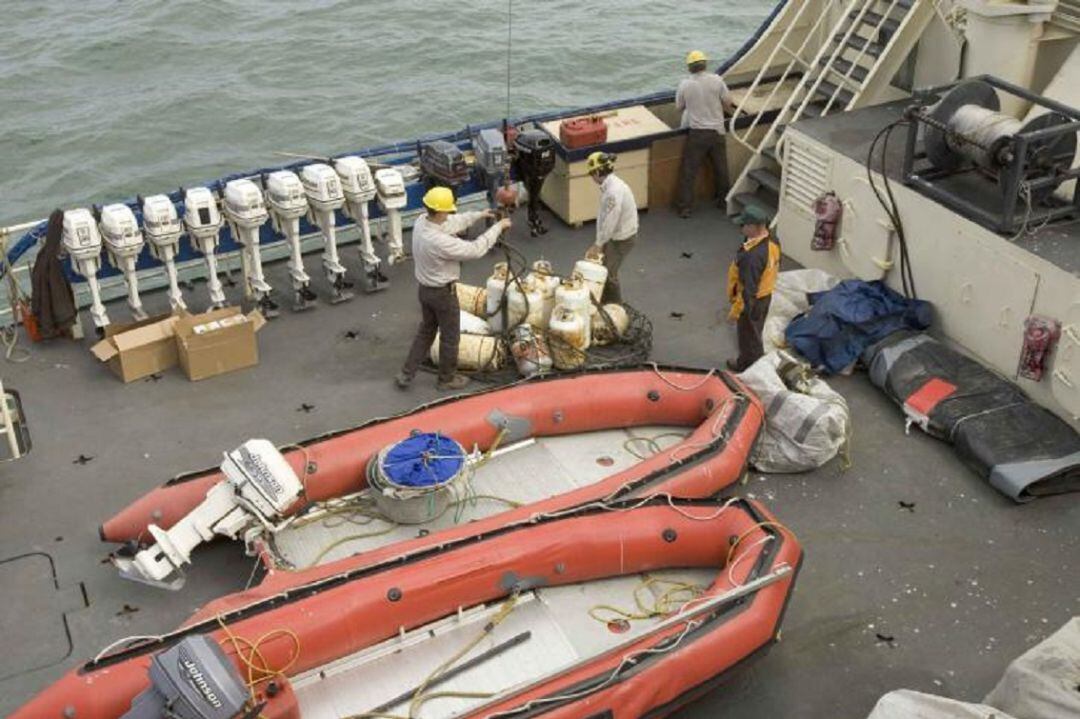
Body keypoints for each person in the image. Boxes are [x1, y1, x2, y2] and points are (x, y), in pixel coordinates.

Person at [396, 186, 511, 391]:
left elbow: (450, 223)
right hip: (442, 294)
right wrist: (498, 227)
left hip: (425, 290)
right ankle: (446, 379)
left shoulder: (421, 222)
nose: (450, 213)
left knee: (426, 330)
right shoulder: (440, 242)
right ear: (440, 211)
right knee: (450, 337)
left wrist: (479, 215)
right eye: (448, 210)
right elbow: (475, 249)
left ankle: (406, 373)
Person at [675, 50, 735, 219]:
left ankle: (685, 208)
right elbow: (728, 102)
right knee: (721, 169)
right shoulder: (717, 80)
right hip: (717, 131)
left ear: (689, 68)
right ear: (705, 64)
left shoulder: (685, 85)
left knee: (689, 172)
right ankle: (723, 202)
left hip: (697, 134)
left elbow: (679, 107)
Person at [726, 204, 780, 372]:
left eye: (744, 225)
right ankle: (752, 362)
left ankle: (749, 367)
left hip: (753, 301)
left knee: (748, 336)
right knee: (755, 331)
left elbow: (748, 289)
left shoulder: (752, 257)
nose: (741, 228)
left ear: (755, 227)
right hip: (765, 295)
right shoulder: (772, 241)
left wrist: (736, 311)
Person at [585, 151, 638, 304]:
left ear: (597, 171)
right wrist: (599, 241)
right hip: (615, 235)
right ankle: (605, 302)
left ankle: (616, 309)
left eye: (591, 174)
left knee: (608, 273)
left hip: (622, 238)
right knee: (603, 267)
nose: (592, 178)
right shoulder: (610, 186)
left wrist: (598, 244)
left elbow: (610, 220)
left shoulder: (613, 192)